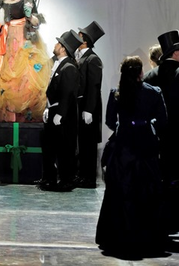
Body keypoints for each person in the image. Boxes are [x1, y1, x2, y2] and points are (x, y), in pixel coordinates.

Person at [96, 56, 168, 256]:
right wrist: (146, 123)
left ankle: (119, 235)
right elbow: (163, 121)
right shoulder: (154, 93)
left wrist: (126, 124)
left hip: (124, 148)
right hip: (146, 148)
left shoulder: (116, 93)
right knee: (147, 191)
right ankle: (147, 237)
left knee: (121, 191)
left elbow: (110, 121)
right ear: (140, 72)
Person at [36, 30, 83, 192]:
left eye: (58, 43)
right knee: (51, 147)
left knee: (64, 148)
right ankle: (50, 178)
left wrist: (60, 114)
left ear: (63, 48)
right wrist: (49, 108)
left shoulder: (68, 67)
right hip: (54, 111)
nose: (55, 45)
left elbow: (67, 93)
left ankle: (65, 180)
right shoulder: (60, 65)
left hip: (63, 116)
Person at [143, 29, 179, 231]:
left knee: (158, 178)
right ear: (175, 53)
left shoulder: (150, 76)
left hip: (155, 135)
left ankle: (157, 220)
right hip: (176, 135)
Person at [74, 21, 105, 188]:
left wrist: (88, 109)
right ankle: (82, 175)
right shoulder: (81, 57)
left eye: (79, 36)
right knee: (82, 143)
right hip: (81, 106)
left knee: (88, 144)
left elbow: (94, 86)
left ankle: (89, 178)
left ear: (84, 40)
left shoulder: (93, 59)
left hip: (88, 107)